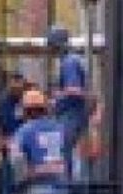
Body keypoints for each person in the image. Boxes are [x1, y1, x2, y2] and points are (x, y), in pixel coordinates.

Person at [48, 26, 89, 175]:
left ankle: (66, 185)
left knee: (64, 156)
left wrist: (57, 96)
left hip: (71, 115)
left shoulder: (69, 62)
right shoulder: (74, 59)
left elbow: (75, 90)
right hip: (74, 115)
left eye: (53, 45)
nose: (52, 50)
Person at [11, 90, 69, 185]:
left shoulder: (23, 131)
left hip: (36, 187)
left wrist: (22, 180)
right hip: (62, 187)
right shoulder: (60, 128)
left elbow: (17, 164)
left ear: (27, 111)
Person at [0, 72, 28, 138]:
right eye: (14, 89)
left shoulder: (29, 104)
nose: (16, 92)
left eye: (19, 89)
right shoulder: (5, 104)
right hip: (9, 138)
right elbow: (2, 125)